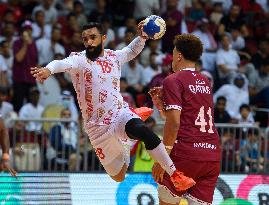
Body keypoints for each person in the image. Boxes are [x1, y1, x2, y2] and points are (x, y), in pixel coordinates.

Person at [30, 22, 194, 191]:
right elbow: (60, 63)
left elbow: (130, 51)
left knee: (145, 131)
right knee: (119, 176)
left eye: (93, 37)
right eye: (85, 39)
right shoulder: (79, 60)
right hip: (97, 128)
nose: (89, 42)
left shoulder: (112, 56)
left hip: (119, 114)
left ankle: (175, 174)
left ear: (103, 38)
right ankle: (127, 140)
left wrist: (143, 37)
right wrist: (48, 70)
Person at [149, 34, 221, 205]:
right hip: (211, 155)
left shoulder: (173, 80)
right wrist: (162, 106)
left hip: (186, 154)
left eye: (174, 53)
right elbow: (189, 116)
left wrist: (163, 159)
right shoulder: (205, 81)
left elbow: (174, 123)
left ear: (179, 55)